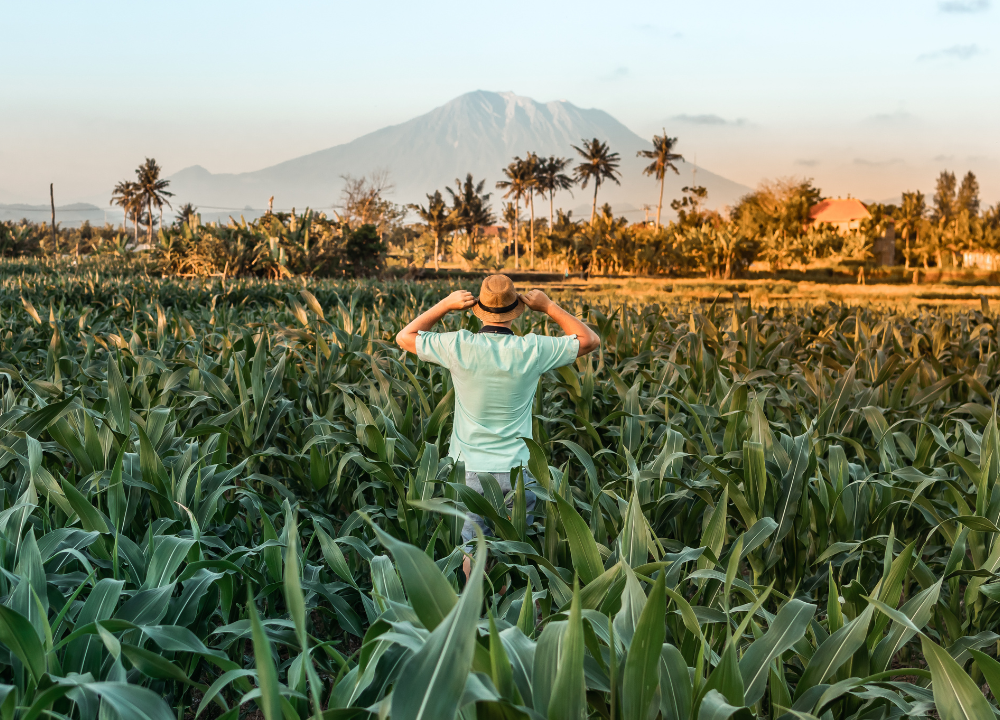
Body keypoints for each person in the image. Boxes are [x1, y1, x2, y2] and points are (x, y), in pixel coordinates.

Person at [395, 274, 601, 578]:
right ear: (515, 308)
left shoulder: (458, 344)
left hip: (470, 470)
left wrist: (446, 305)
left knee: (472, 549)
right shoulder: (532, 349)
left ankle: (476, 612)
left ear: (478, 307)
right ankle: (512, 612)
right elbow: (590, 340)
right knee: (515, 549)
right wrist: (549, 307)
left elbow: (404, 337)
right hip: (519, 470)